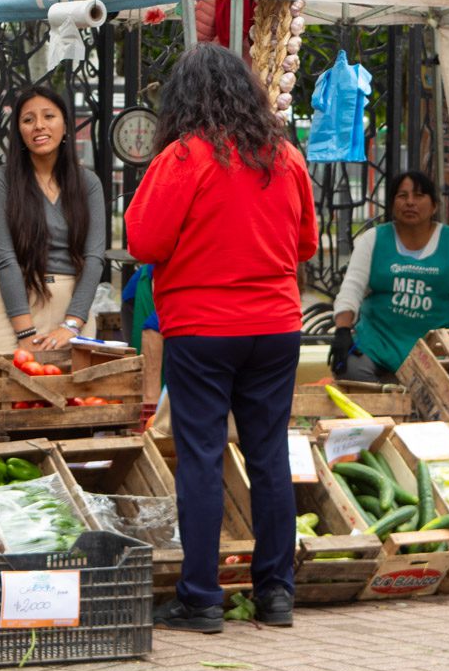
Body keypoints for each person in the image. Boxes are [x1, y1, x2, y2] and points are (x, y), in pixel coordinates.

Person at [127, 43, 318, 633]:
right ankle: (276, 594)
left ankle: (203, 599)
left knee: (203, 460)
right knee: (269, 459)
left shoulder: (185, 157)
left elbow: (143, 241)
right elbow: (306, 244)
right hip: (277, 327)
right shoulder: (285, 157)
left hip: (203, 330)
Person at [0, 85, 107, 352]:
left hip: (71, 310)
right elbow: (4, 259)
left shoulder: (88, 184)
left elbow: (94, 258)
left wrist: (72, 324)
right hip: (11, 308)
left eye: (49, 116)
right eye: (28, 119)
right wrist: (24, 332)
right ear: (19, 131)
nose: (39, 126)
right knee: (4, 389)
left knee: (76, 393)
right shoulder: (0, 182)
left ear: (65, 125)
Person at [329, 170, 449, 382]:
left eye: (419, 195)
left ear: (434, 206)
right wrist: (342, 331)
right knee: (349, 369)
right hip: (378, 346)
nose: (410, 202)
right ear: (393, 204)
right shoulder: (373, 239)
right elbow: (351, 289)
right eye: (402, 196)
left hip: (436, 350)